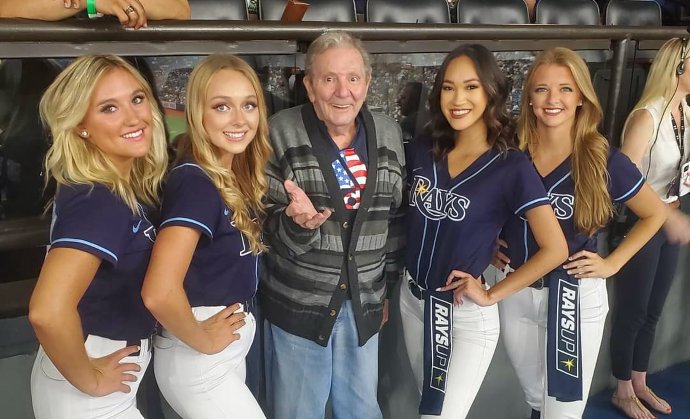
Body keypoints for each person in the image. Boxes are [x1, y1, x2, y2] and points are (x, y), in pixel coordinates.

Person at [495, 47, 666, 419]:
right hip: (517, 292)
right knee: (537, 401)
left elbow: (655, 214)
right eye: (541, 89)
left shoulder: (602, 158)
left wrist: (613, 263)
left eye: (565, 89)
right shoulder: (511, 153)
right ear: (528, 98)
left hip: (573, 295)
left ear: (581, 99)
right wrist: (491, 243)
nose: (552, 100)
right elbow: (490, 210)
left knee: (564, 408)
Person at [401, 44, 568, 419]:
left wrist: (492, 294)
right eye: (448, 87)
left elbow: (555, 248)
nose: (457, 99)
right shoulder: (426, 146)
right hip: (412, 302)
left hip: (463, 316)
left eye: (471, 87)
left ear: (492, 91)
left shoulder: (511, 165)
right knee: (428, 408)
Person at [260, 30, 406, 419]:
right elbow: (260, 225)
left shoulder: (388, 133)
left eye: (353, 78)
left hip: (365, 305)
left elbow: (393, 223)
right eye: (328, 79)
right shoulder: (280, 131)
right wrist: (295, 225)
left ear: (367, 83)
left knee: (361, 410)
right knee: (297, 411)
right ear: (309, 86)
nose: (343, 91)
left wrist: (385, 289)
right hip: (299, 307)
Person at [28, 54, 168, 419]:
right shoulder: (100, 199)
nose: (133, 117)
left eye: (137, 99)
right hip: (88, 391)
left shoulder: (117, 186)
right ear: (80, 126)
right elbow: (47, 311)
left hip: (93, 376)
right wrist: (89, 379)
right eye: (109, 108)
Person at [141, 54, 270, 419]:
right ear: (198, 114)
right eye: (221, 107)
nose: (239, 119)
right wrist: (202, 340)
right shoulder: (195, 183)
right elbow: (158, 291)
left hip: (218, 352)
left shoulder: (229, 173)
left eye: (249, 105)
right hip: (198, 359)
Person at [609, 37, 690, 419]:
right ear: (677, 68)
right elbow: (622, 180)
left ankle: (639, 381)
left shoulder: (686, 112)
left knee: (653, 310)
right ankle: (622, 389)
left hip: (670, 218)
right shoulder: (647, 116)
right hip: (643, 224)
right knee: (633, 311)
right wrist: (668, 215)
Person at [0, 0, 190, 28]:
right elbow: (6, 9)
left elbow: (180, 10)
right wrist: (90, 2)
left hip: (124, 69)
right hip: (47, 78)